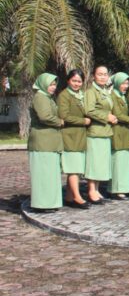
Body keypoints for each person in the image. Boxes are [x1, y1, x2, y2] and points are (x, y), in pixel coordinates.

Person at [28, 73, 64, 212]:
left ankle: (49, 202)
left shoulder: (47, 97)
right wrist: (59, 122)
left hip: (49, 141)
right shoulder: (40, 97)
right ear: (43, 84)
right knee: (43, 174)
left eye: (54, 84)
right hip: (42, 141)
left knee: (49, 174)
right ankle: (42, 204)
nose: (53, 87)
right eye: (50, 84)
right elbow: (44, 116)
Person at [58, 69, 91, 208]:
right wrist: (82, 121)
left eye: (79, 81)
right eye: (74, 81)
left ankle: (69, 197)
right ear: (68, 81)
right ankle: (77, 197)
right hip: (70, 136)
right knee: (73, 168)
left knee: (76, 167)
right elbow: (64, 116)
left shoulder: (81, 95)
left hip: (81, 136)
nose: (77, 84)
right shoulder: (64, 95)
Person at [84, 65, 117, 203]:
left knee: (101, 163)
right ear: (93, 76)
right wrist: (106, 117)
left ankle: (96, 189)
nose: (103, 77)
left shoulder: (105, 91)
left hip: (105, 131)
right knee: (94, 162)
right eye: (100, 74)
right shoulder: (91, 92)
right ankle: (91, 190)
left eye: (105, 74)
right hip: (96, 131)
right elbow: (89, 110)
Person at [109, 73, 129, 200]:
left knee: (124, 160)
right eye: (123, 83)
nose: (125, 86)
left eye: (127, 83)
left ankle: (123, 188)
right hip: (117, 131)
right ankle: (117, 189)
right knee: (118, 160)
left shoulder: (123, 96)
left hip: (124, 131)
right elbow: (118, 114)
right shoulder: (113, 96)